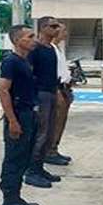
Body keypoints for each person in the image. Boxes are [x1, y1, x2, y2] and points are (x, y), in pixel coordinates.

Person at [0, 25, 43, 205]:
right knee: (14, 158)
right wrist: (12, 121)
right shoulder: (11, 62)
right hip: (19, 114)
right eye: (30, 36)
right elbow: (3, 91)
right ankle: (9, 201)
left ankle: (16, 197)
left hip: (29, 113)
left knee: (24, 156)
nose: (34, 40)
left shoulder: (25, 61)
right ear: (17, 40)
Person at [26, 16, 64, 187]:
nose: (57, 29)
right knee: (40, 134)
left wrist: (57, 91)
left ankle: (40, 167)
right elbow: (29, 73)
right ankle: (32, 171)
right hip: (40, 95)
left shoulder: (51, 49)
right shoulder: (35, 49)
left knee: (49, 133)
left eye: (57, 26)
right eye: (53, 26)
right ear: (43, 28)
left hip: (51, 92)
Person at [47, 23, 73, 166]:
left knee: (61, 122)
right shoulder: (51, 49)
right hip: (57, 89)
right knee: (55, 121)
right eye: (63, 31)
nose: (65, 33)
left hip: (65, 88)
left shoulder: (59, 48)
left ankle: (54, 148)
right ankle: (49, 151)